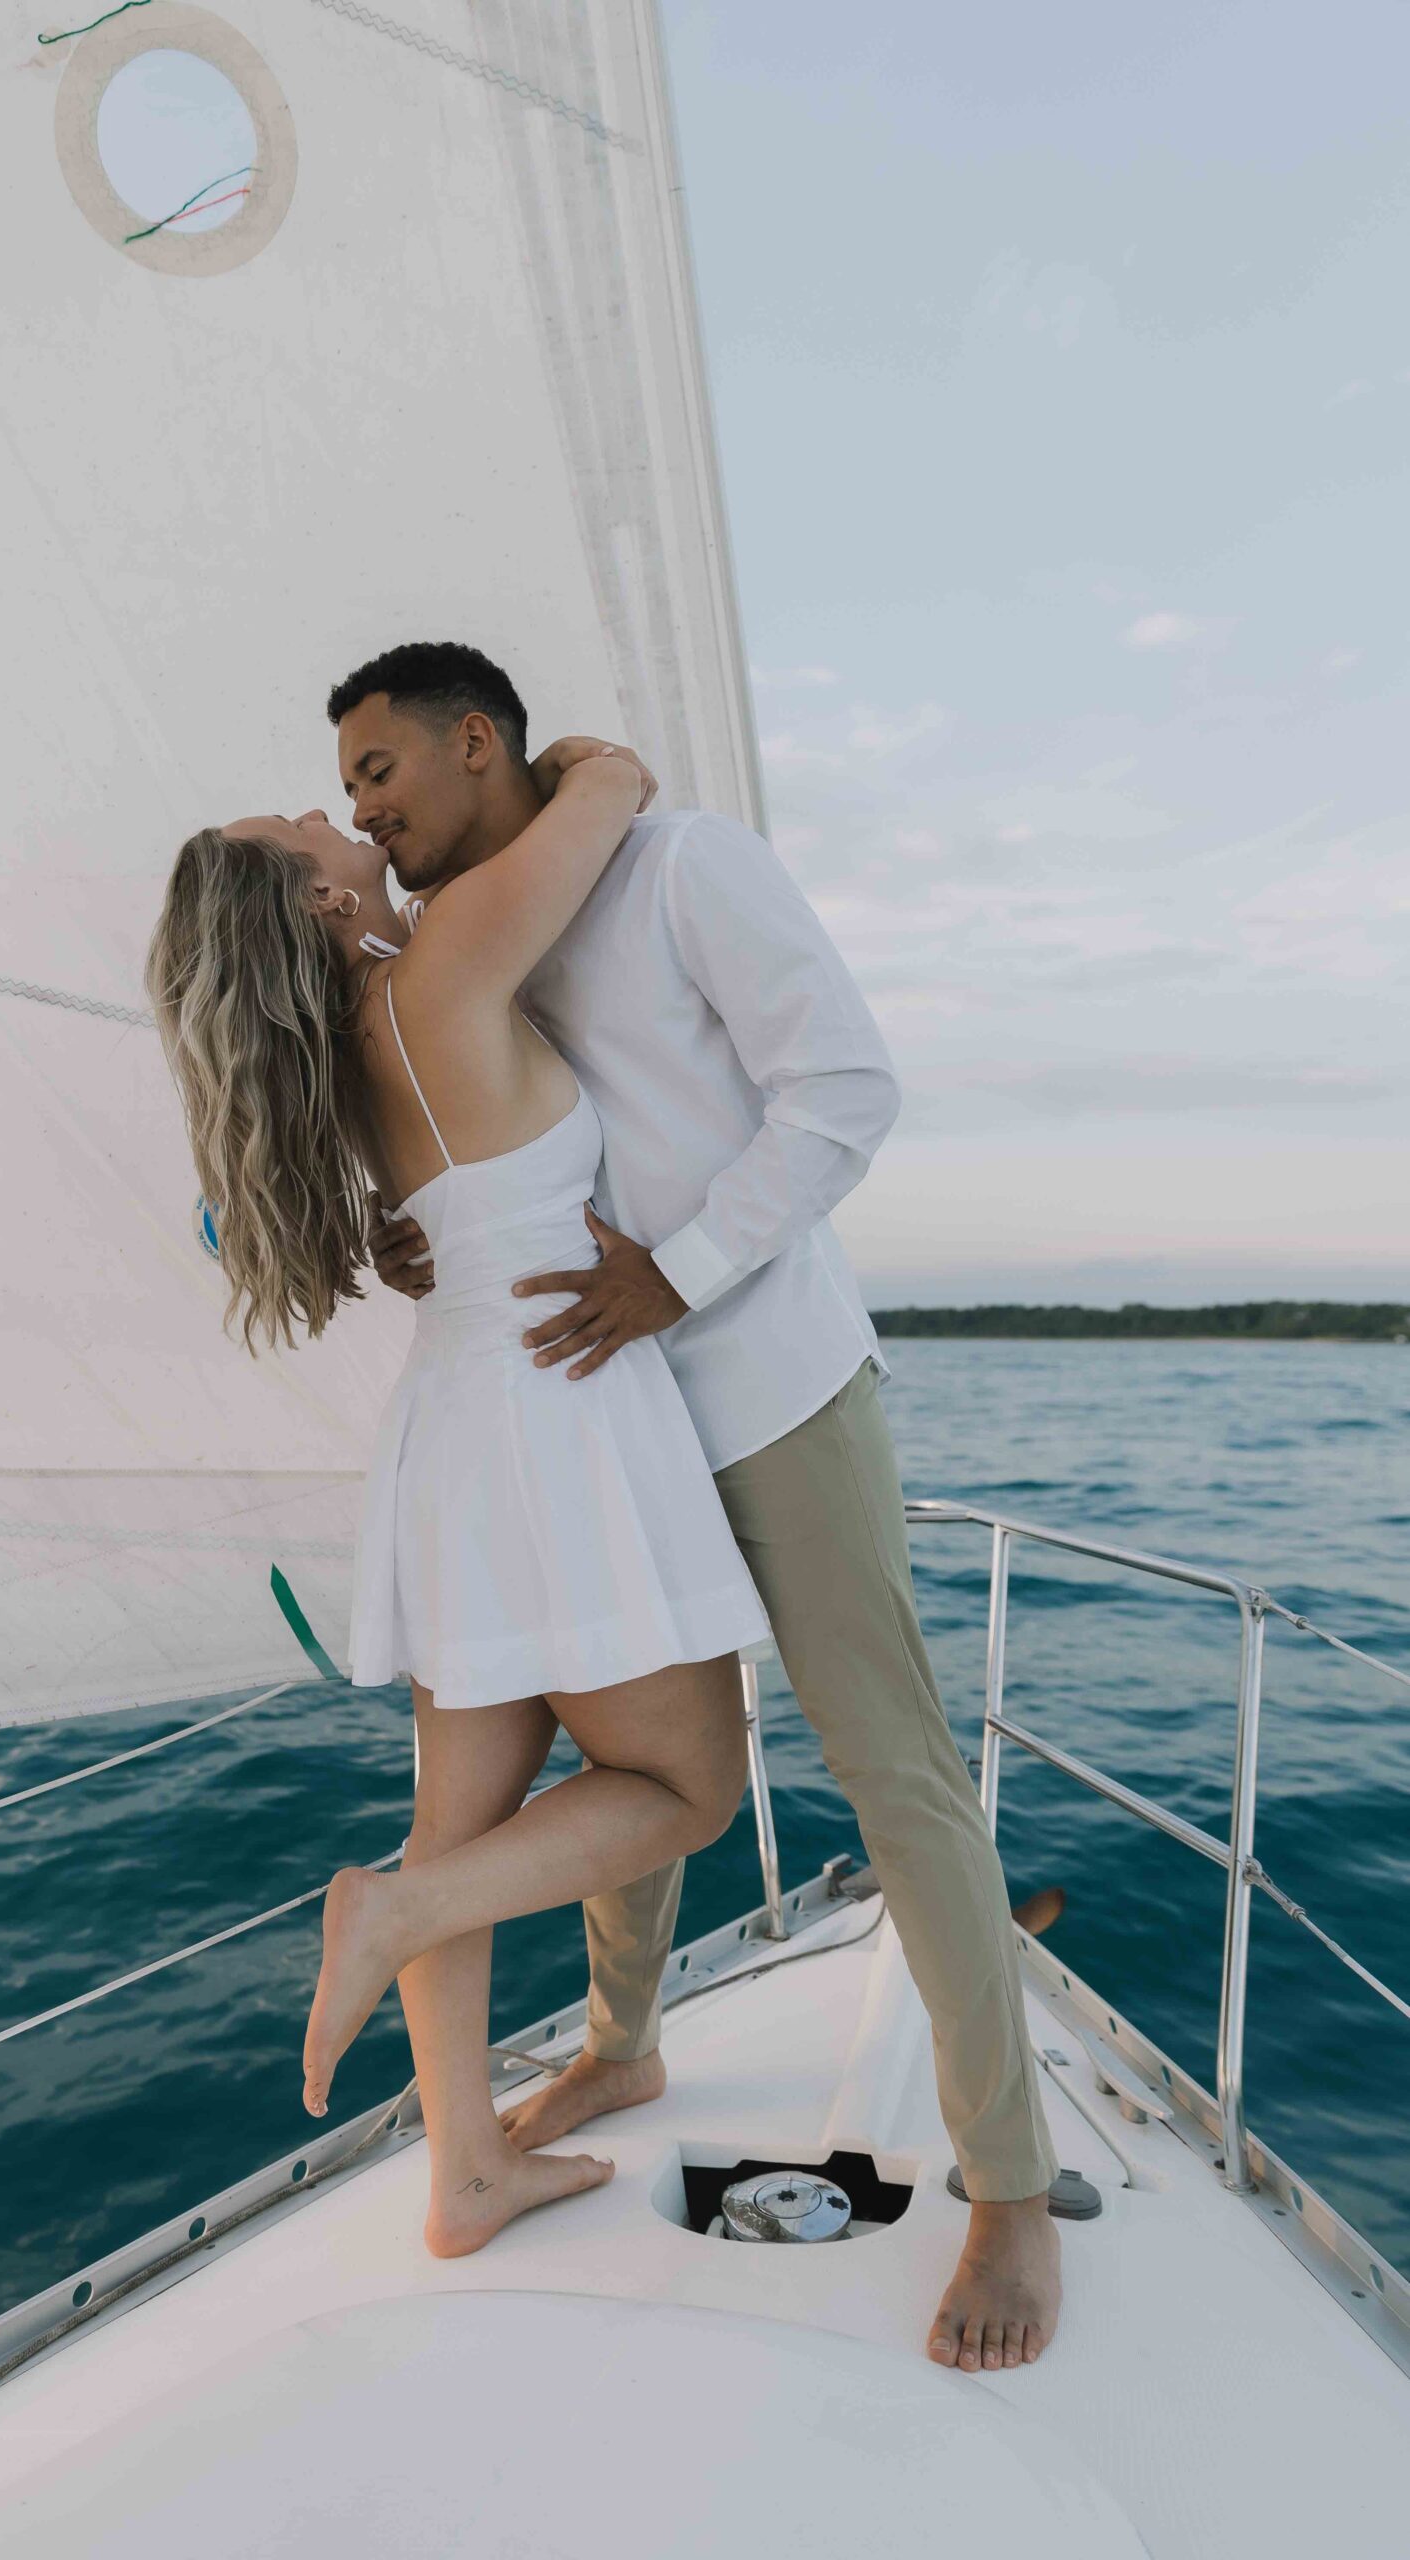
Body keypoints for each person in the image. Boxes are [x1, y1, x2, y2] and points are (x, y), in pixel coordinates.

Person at [348, 641, 1064, 2376]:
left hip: (773, 1397)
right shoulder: (473, 935)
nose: (369, 815)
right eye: (350, 789)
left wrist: (677, 1275)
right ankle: (627, 2039)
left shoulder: (683, 865)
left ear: (476, 742)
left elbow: (849, 1093)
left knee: (894, 1777)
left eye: (383, 771)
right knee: (644, 1762)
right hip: (606, 1429)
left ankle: (1015, 2191)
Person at [144, 724, 771, 2263]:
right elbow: (611, 790)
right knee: (691, 1786)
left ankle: (467, 2173)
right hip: (554, 1410)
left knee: (459, 1829)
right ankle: (395, 1920)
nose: (332, 812)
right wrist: (559, 756)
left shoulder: (342, 1059)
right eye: (307, 824)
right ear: (307, 908)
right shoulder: (435, 973)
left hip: (458, 1426)